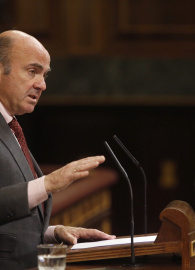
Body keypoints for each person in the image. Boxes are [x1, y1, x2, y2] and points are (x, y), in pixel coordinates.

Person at [0, 30, 116, 269]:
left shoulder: (11, 124)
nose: (41, 84)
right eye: (32, 71)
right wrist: (49, 183)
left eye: (44, 75)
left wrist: (52, 233)